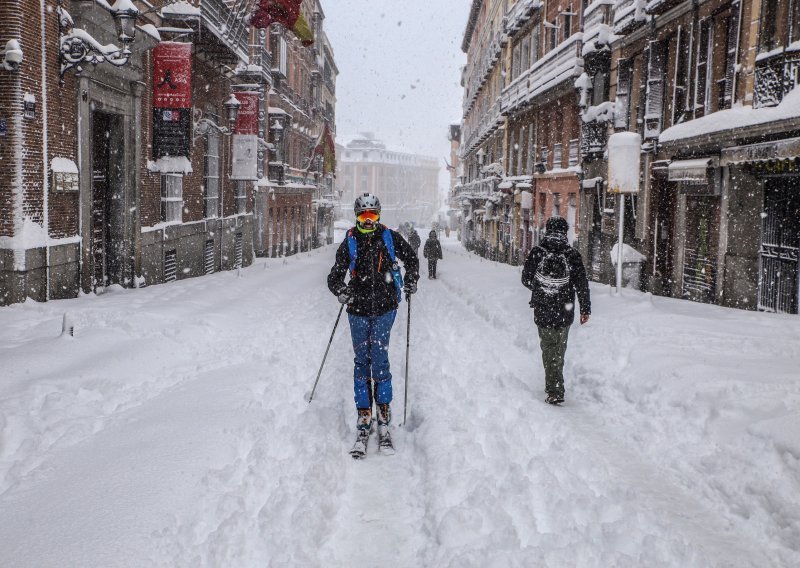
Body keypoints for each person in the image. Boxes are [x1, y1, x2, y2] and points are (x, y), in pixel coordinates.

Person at [328, 193, 419, 457]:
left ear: (379, 215)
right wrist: (340, 289)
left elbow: (412, 260)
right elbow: (335, 274)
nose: (368, 221)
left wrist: (412, 279)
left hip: (384, 308)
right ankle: (364, 413)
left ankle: (384, 411)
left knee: (379, 359)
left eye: (373, 216)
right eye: (363, 216)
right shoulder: (350, 241)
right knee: (361, 361)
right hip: (356, 309)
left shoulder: (388, 237)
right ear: (357, 216)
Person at [521, 216, 591, 405]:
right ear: (565, 233)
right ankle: (555, 386)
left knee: (548, 348)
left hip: (543, 309)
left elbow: (526, 279)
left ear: (547, 231)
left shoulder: (537, 252)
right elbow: (581, 284)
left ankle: (554, 388)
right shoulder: (572, 254)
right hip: (564, 310)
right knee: (559, 349)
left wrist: (541, 290)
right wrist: (585, 309)